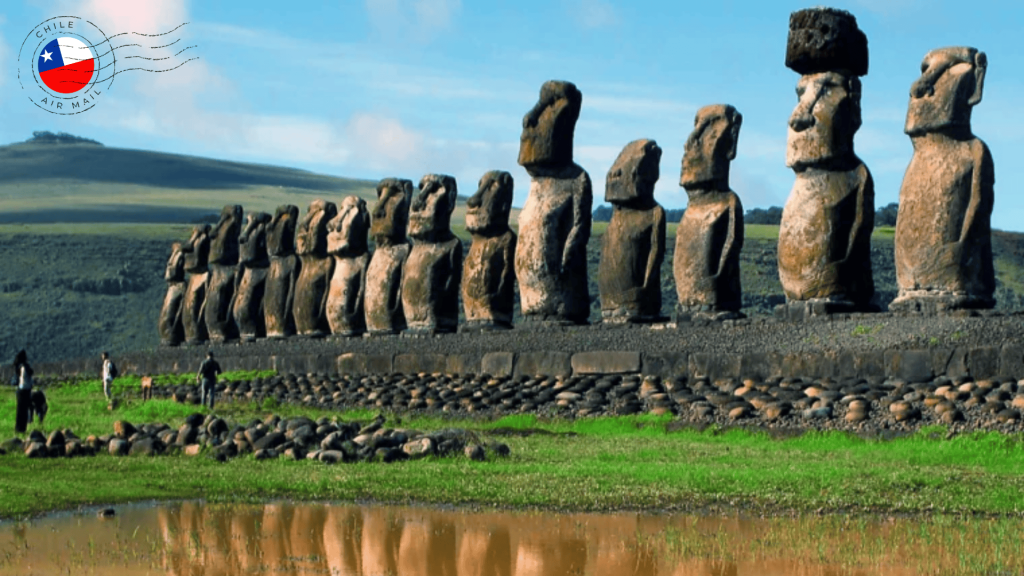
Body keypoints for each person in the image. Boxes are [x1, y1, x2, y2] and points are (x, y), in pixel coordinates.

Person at [13, 350, 33, 434]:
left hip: (21, 390)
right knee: (24, 410)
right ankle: (22, 428)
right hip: (26, 389)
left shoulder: (19, 367)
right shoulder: (25, 367)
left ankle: (19, 428)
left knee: (20, 410)